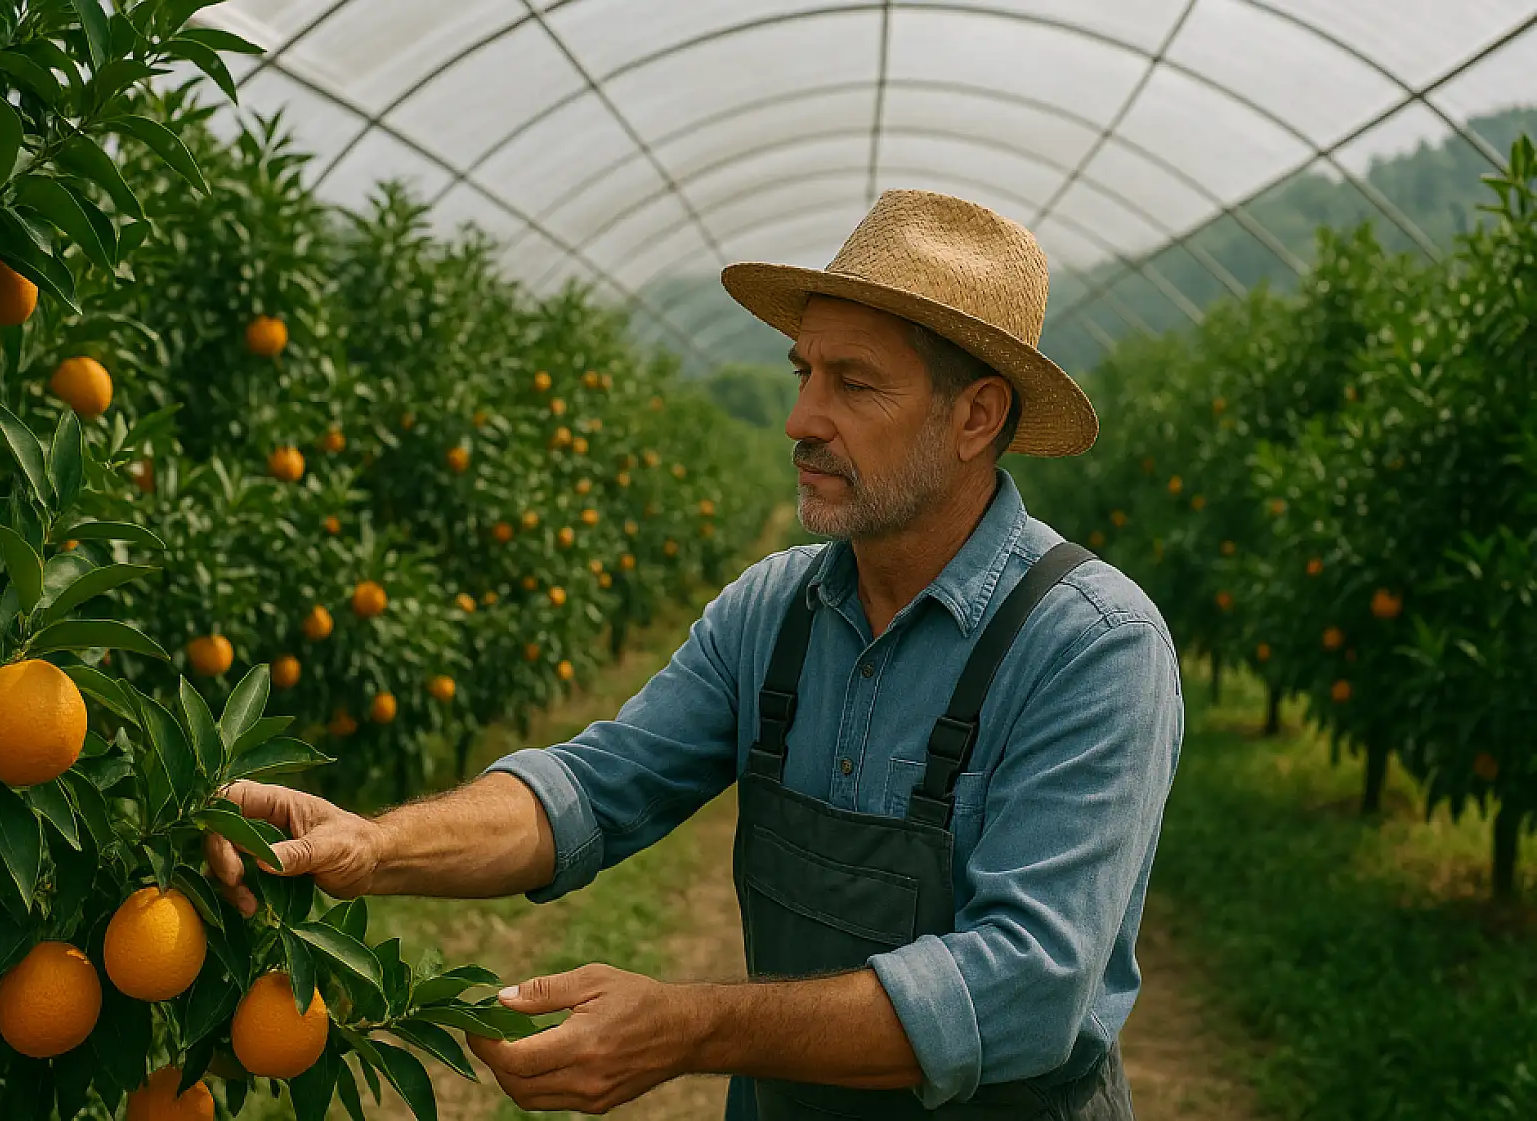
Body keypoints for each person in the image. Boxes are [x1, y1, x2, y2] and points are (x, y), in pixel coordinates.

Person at [208, 190, 1181, 1120]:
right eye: (804, 371)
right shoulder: (774, 613)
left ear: (974, 416)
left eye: (853, 382)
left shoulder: (1087, 644)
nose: (801, 417)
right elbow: (590, 789)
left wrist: (690, 1024)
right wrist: (373, 844)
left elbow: (1023, 983)